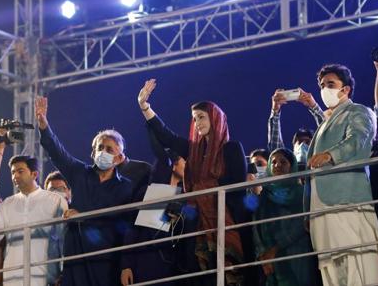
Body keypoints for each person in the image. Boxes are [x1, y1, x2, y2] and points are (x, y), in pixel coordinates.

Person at [137, 79, 249, 285]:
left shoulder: (231, 148)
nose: (197, 122)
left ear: (215, 119)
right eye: (194, 119)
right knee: (203, 274)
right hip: (198, 224)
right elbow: (166, 137)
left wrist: (208, 192)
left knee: (233, 275)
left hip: (228, 221)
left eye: (202, 117)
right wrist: (145, 107)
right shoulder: (193, 151)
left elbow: (238, 188)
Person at [35, 95, 135, 286]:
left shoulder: (125, 186)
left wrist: (82, 216)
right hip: (76, 253)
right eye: (100, 147)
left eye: (109, 149)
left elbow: (113, 216)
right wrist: (43, 125)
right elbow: (57, 152)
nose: (103, 152)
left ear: (119, 158)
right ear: (92, 152)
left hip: (106, 256)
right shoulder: (79, 172)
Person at [305, 64, 378, 286]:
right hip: (320, 207)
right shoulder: (326, 123)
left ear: (346, 89)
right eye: (322, 85)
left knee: (357, 267)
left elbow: (358, 140)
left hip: (347, 202)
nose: (325, 89)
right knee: (331, 271)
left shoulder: (359, 111)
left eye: (331, 84)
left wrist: (330, 155)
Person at [0, 155, 67, 286]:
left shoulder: (56, 200)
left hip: (45, 276)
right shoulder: (7, 204)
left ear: (34, 174)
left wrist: (63, 270)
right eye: (13, 172)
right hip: (13, 276)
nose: (15, 176)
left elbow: (64, 240)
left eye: (20, 171)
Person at [120, 128, 187, 286]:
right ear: (174, 164)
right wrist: (126, 265)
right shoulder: (151, 191)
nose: (189, 166)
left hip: (172, 267)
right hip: (144, 262)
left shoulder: (186, 196)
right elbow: (133, 230)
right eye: (186, 161)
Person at [252, 149, 318, 286]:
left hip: (296, 253)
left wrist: (274, 250)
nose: (277, 165)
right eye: (274, 162)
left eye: (283, 162)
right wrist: (262, 254)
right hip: (268, 258)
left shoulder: (301, 193)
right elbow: (255, 224)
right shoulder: (264, 195)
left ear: (292, 166)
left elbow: (301, 224)